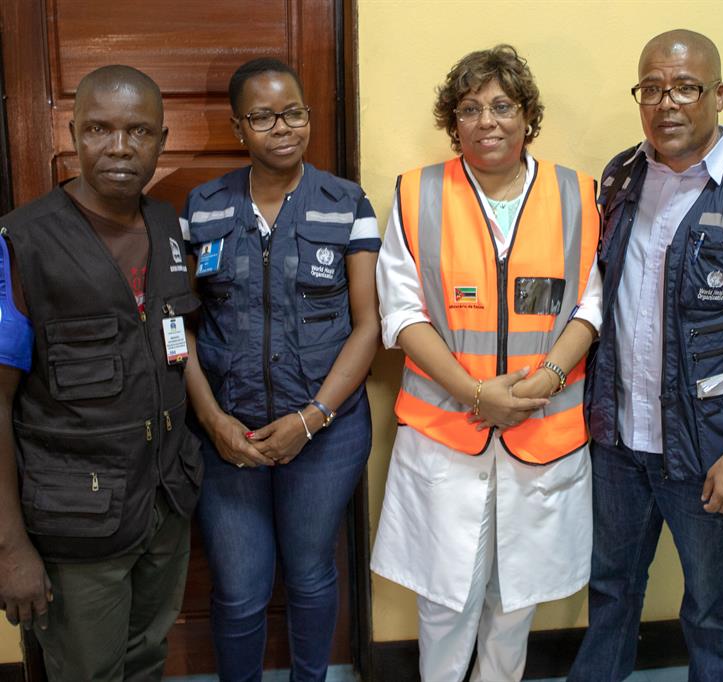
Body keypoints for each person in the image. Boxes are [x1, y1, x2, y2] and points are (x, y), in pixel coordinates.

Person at [570, 30, 723, 682]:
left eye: (684, 88)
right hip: (618, 442)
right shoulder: (621, 178)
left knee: (709, 606)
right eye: (651, 89)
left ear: (718, 94)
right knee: (610, 588)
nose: (666, 103)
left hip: (708, 449)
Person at [370, 44, 601, 682]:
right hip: (448, 435)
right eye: (470, 108)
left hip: (542, 430)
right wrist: (477, 395)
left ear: (527, 115)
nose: (487, 121)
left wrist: (545, 380)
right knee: (445, 601)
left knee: (515, 599)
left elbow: (590, 306)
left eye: (502, 106)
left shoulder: (577, 194)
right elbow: (402, 314)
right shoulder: (418, 193)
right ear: (454, 122)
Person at [181, 58, 380, 680]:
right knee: (239, 589)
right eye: (263, 117)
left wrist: (311, 418)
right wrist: (213, 422)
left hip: (327, 432)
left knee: (312, 572)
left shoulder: (347, 203)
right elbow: (182, 325)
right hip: (227, 432)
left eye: (293, 113)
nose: (283, 128)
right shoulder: (203, 207)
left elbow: (368, 325)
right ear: (238, 127)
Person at [0, 65, 201, 681]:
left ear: (162, 141)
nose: (119, 147)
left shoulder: (167, 226)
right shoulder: (21, 241)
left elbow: (175, 342)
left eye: (138, 131)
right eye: (98, 129)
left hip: (164, 502)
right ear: (73, 135)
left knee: (146, 659)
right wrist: (10, 548)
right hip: (77, 523)